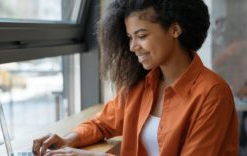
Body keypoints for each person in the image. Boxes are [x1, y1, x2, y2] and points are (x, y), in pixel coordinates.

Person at [32, 0, 239, 155]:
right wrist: (67, 139)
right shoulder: (141, 84)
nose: (133, 47)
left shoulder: (213, 93)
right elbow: (101, 123)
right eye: (130, 38)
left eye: (142, 36)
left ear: (175, 30)